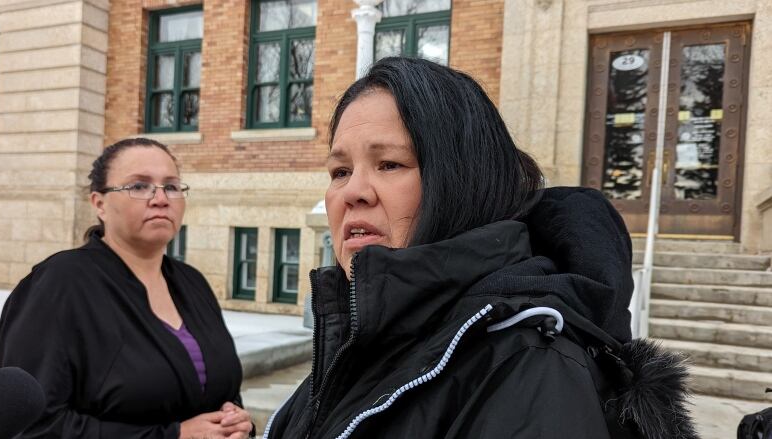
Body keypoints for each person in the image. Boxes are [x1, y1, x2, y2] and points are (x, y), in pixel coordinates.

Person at [262, 57, 698, 439]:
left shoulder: (531, 368)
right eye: (340, 171)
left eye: (389, 164)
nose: (353, 191)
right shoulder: (367, 337)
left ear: (461, 183)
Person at [0, 138, 254, 439]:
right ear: (99, 203)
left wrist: (235, 422)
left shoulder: (192, 282)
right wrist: (173, 436)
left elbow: (224, 391)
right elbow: (34, 426)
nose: (161, 199)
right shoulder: (59, 284)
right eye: (139, 186)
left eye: (171, 186)